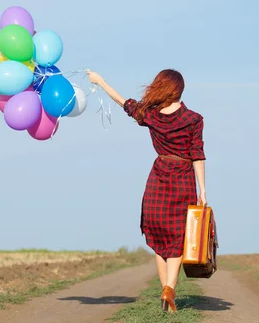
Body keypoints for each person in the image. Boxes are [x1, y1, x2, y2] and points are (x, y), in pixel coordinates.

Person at [86, 69, 207, 313]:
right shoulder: (194, 118)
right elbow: (197, 154)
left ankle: (166, 290)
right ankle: (169, 289)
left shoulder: (151, 115)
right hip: (183, 178)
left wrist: (100, 81)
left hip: (159, 176)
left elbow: (123, 102)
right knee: (176, 236)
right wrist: (203, 190)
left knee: (159, 235)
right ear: (180, 90)